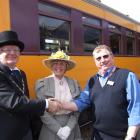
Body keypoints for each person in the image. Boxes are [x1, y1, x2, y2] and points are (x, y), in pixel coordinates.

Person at [62, 45, 140, 140]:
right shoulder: (92, 80)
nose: (102, 60)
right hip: (97, 135)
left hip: (121, 136)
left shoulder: (127, 76)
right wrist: (60, 105)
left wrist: (130, 136)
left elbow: (136, 107)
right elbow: (82, 101)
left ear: (112, 57)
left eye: (105, 56)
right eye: (98, 58)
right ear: (95, 62)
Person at [0, 30, 61, 140]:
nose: (12, 53)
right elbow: (14, 103)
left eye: (16, 50)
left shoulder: (21, 73)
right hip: (7, 133)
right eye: (7, 50)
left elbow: (25, 98)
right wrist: (46, 104)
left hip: (25, 130)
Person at [35, 50, 82, 140]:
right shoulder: (42, 83)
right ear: (51, 66)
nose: (58, 66)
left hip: (71, 125)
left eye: (62, 64)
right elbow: (41, 109)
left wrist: (69, 127)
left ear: (66, 67)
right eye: (55, 63)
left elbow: (78, 106)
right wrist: (58, 130)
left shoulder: (74, 83)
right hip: (50, 127)